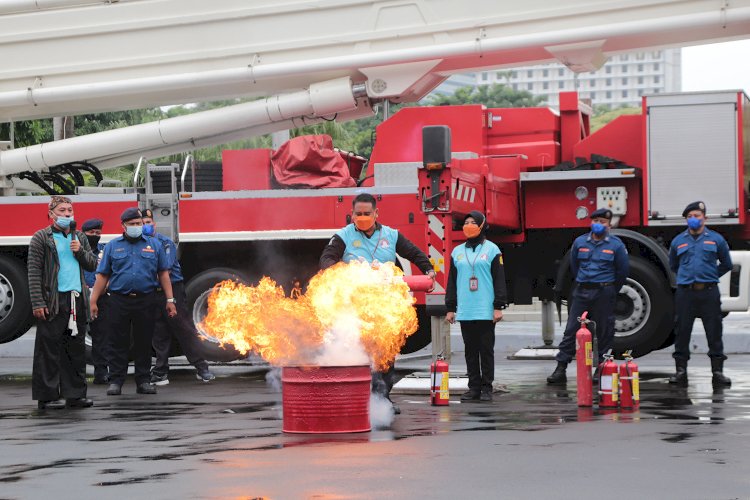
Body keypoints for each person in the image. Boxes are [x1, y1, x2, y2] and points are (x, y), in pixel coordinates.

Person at [320, 193, 436, 413]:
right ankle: (362, 401)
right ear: (351, 214)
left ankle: (383, 399)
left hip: (385, 308)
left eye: (366, 214)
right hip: (357, 309)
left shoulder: (391, 235)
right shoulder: (343, 236)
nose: (362, 217)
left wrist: (428, 270)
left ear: (376, 214)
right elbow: (327, 258)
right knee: (363, 355)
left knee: (386, 355)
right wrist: (340, 271)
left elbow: (413, 253)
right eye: (358, 214)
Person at [90, 207, 176, 396]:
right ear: (123, 226)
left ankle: (143, 381)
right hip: (119, 301)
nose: (137, 227)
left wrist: (170, 299)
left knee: (144, 343)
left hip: (146, 300)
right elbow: (103, 275)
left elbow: (163, 273)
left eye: (139, 223)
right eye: (132, 224)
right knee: (117, 342)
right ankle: (116, 381)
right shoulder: (112, 246)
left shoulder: (154, 245)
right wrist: (93, 300)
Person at [28, 196, 97, 409]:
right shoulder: (42, 237)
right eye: (62, 210)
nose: (67, 214)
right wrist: (38, 302)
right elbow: (33, 272)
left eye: (70, 210)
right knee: (48, 349)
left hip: (76, 300)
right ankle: (47, 396)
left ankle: (75, 394)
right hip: (53, 300)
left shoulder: (79, 237)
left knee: (75, 350)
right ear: (51, 214)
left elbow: (92, 265)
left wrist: (80, 251)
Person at [547, 208, 629, 385]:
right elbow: (575, 266)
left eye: (603, 222)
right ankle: (561, 368)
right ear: (590, 222)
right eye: (596, 221)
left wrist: (610, 289)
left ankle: (600, 369)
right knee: (571, 330)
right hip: (582, 291)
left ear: (609, 224)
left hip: (604, 292)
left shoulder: (616, 245)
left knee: (604, 331)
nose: (599, 225)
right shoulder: (579, 242)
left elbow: (622, 271)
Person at [141, 209, 215, 386]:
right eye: (142, 223)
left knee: (184, 329)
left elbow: (162, 268)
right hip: (152, 292)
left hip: (171, 290)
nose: (145, 226)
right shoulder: (137, 245)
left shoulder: (164, 243)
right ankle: (160, 372)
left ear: (154, 224)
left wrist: (169, 299)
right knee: (158, 333)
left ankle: (202, 367)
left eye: (148, 222)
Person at [668, 201, 732, 387]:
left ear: (705, 218)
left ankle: (717, 372)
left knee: (714, 331)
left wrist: (711, 276)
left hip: (709, 292)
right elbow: (673, 265)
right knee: (682, 331)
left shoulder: (716, 239)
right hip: (685, 293)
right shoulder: (678, 241)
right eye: (689, 217)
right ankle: (681, 372)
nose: (693, 219)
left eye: (696, 216)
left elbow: (726, 264)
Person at [445, 211, 507, 402]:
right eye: (466, 222)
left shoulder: (492, 250)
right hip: (465, 310)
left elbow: (499, 279)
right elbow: (452, 282)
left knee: (486, 351)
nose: (469, 225)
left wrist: (498, 306)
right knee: (470, 351)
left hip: (485, 310)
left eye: (473, 222)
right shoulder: (457, 252)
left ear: (481, 226)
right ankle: (474, 387)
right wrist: (450, 307)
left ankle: (487, 387)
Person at [82, 218, 110, 384]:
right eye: (91, 233)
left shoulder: (104, 251)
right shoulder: (77, 250)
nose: (95, 235)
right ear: (83, 233)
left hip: (101, 297)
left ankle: (101, 373)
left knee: (101, 336)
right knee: (76, 337)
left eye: (98, 233)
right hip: (79, 296)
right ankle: (77, 376)